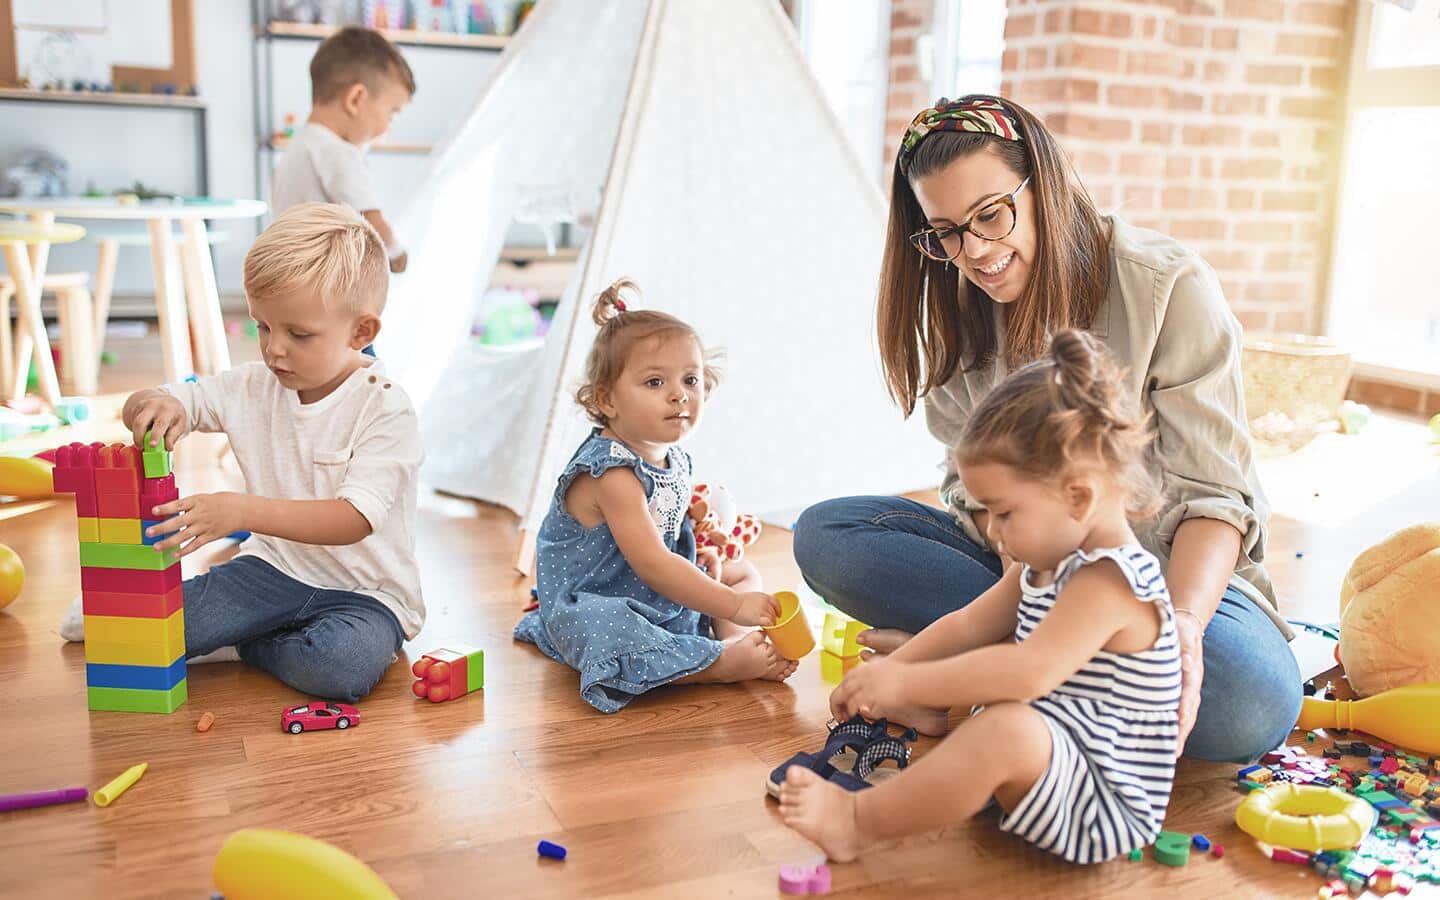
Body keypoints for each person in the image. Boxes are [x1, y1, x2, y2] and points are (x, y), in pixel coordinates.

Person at [792, 95, 1300, 762]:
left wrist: (1181, 629)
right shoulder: (957, 310)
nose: (976, 252)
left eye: (992, 215)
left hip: (1161, 584)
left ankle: (993, 673)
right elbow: (980, 500)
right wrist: (1028, 609)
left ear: (1044, 185)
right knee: (826, 536)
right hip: (1029, 566)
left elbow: (1216, 501)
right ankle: (1029, 671)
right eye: (946, 232)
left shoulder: (1166, 286)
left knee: (1248, 705)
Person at [781, 330, 1179, 864]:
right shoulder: (1045, 564)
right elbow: (966, 625)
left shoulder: (1109, 582)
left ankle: (857, 823)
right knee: (1001, 722)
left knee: (1004, 726)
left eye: (1005, 512)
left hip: (1100, 802)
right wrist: (894, 674)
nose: (992, 531)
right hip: (1054, 757)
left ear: (1078, 497)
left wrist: (904, 678)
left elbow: (1027, 672)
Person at [61, 204, 423, 701]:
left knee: (341, 668)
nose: (274, 350)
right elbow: (166, 399)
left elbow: (352, 520)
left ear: (361, 332)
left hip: (366, 595)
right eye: (263, 327)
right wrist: (154, 408)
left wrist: (240, 510)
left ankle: (248, 641)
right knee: (136, 635)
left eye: (298, 334)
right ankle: (221, 626)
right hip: (270, 571)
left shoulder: (384, 407)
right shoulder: (253, 385)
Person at [513, 279, 796, 712]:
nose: (679, 394)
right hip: (601, 598)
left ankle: (735, 641)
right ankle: (713, 665)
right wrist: (735, 604)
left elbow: (670, 520)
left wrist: (700, 530)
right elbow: (654, 562)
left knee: (738, 570)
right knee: (608, 631)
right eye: (654, 382)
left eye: (691, 379)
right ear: (607, 399)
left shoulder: (674, 458)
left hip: (653, 591)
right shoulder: (612, 474)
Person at [271, 26, 414, 274]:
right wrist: (396, 253)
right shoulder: (338, 153)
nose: (388, 127)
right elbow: (373, 223)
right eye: (392, 113)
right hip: (325, 286)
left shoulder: (300, 145)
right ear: (356, 99)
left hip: (288, 278)